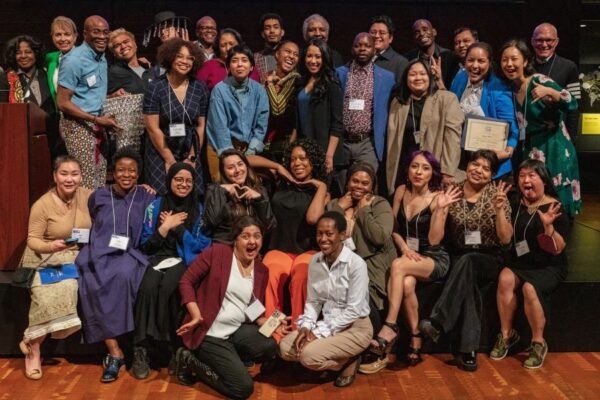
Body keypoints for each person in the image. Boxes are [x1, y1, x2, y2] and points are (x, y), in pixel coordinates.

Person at [418, 150, 513, 372]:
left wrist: (499, 211)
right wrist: (441, 210)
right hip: (460, 257)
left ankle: (438, 322)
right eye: (475, 164)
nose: (478, 170)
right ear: (467, 166)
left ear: (491, 175)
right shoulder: (452, 191)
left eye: (485, 168)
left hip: (490, 258)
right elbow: (434, 239)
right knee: (468, 281)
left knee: (469, 262)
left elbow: (506, 239)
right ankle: (468, 349)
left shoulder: (497, 195)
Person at [359, 151, 453, 373]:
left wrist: (440, 210)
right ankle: (415, 336)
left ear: (432, 174)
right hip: (408, 254)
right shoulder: (401, 191)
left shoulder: (437, 198)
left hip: (434, 257)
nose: (419, 172)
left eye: (425, 168)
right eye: (414, 166)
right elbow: (393, 228)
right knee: (407, 283)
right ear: (408, 170)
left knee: (398, 266)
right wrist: (404, 248)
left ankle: (390, 325)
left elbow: (434, 240)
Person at [76, 146, 156, 383]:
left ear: (139, 173)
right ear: (113, 172)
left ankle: (129, 350)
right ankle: (114, 352)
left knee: (125, 278)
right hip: (98, 252)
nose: (127, 174)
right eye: (121, 170)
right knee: (89, 280)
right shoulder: (98, 195)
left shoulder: (147, 196)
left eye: (132, 170)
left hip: (129, 253)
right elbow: (93, 220)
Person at [176, 216, 278, 400]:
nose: (252, 241)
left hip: (235, 330)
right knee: (243, 389)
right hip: (209, 332)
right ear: (236, 239)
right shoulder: (218, 253)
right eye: (246, 236)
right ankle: (188, 359)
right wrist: (195, 313)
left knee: (269, 346)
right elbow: (186, 281)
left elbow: (253, 305)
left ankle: (229, 358)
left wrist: (268, 321)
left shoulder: (262, 270)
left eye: (257, 236)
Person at [132, 162, 211, 379]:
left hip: (183, 259)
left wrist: (178, 227)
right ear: (170, 181)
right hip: (156, 258)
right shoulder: (155, 207)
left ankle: (171, 348)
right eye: (178, 179)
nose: (183, 184)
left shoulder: (200, 209)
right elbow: (146, 244)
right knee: (147, 286)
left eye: (188, 181)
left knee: (170, 286)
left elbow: (200, 246)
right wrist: (164, 228)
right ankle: (142, 348)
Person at [18, 156, 92, 380]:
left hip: (77, 253)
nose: (70, 179)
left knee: (72, 285)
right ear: (54, 176)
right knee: (48, 291)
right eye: (64, 174)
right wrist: (50, 246)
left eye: (74, 174)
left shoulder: (89, 196)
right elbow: (32, 240)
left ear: (81, 176)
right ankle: (33, 347)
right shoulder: (42, 204)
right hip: (46, 254)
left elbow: (115, 194)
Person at [279, 211, 372, 388]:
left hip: (355, 327)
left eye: (329, 234)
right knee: (285, 347)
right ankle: (339, 357)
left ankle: (348, 361)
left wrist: (318, 333)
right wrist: (306, 327)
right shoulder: (315, 261)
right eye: (319, 233)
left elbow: (353, 310)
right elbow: (314, 301)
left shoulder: (356, 264)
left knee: (308, 356)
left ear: (342, 235)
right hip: (328, 324)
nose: (323, 239)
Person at [491, 159, 569, 369]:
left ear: (543, 180)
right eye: (522, 175)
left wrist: (548, 228)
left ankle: (538, 342)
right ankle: (507, 335)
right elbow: (505, 239)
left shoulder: (555, 207)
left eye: (531, 175)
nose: (526, 180)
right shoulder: (515, 202)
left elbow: (558, 249)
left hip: (548, 265)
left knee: (529, 288)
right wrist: (499, 210)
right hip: (520, 262)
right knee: (505, 278)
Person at [325, 163, 395, 371]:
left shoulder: (379, 203)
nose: (359, 186)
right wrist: (338, 207)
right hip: (344, 266)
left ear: (372, 186)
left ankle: (373, 349)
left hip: (373, 263)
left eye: (365, 183)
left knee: (360, 293)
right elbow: (329, 235)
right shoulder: (338, 204)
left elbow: (380, 237)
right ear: (347, 182)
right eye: (355, 181)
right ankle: (346, 350)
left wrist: (363, 210)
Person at [499, 39, 581, 217]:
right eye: (505, 59)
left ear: (526, 61)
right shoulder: (508, 89)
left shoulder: (538, 81)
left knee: (558, 202)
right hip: (530, 149)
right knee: (535, 202)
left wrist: (551, 92)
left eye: (514, 59)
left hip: (554, 148)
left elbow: (573, 104)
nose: (509, 64)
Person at [263, 139, 329, 337]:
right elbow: (245, 160)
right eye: (292, 159)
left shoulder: (320, 191)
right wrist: (277, 166)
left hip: (306, 251)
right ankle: (273, 331)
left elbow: (312, 218)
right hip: (279, 249)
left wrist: (321, 187)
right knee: (269, 273)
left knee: (302, 276)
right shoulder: (280, 183)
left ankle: (298, 333)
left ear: (313, 162)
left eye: (303, 158)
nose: (297, 163)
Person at [57, 15, 119, 189]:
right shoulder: (74, 60)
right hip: (79, 126)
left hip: (98, 125)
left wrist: (111, 98)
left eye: (105, 32)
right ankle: (82, 216)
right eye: (96, 32)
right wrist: (95, 120)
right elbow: (62, 102)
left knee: (99, 179)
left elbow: (88, 94)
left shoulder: (101, 58)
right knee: (85, 181)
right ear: (85, 34)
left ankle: (95, 216)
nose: (102, 36)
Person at [386, 59, 464, 196]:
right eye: (413, 74)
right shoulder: (398, 103)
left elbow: (453, 138)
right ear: (406, 78)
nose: (418, 78)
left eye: (423, 74)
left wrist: (447, 171)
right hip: (405, 168)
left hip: (434, 168)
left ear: (430, 76)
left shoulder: (447, 99)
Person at [143, 38, 208, 196]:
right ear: (170, 57)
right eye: (180, 56)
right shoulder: (156, 87)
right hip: (161, 149)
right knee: (162, 194)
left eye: (190, 58)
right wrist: (169, 160)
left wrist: (192, 158)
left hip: (190, 149)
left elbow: (200, 126)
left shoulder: (199, 87)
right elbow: (152, 127)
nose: (185, 61)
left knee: (192, 194)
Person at [450, 42, 518, 180]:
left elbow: (512, 128)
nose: (475, 66)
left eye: (481, 61)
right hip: (461, 161)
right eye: (470, 60)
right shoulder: (460, 78)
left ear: (490, 63)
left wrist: (508, 151)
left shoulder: (498, 88)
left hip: (491, 167)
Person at [337, 33, 395, 173]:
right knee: (339, 186)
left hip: (367, 143)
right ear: (352, 49)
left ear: (375, 49)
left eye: (367, 46)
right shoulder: (339, 73)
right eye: (358, 45)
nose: (362, 49)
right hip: (342, 141)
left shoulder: (387, 78)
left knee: (364, 186)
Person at [0, 34, 59, 161]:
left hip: (50, 138)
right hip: (19, 139)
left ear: (36, 54)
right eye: (18, 53)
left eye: (28, 52)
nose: (23, 56)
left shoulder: (47, 75)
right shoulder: (6, 79)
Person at [206, 44, 269, 161]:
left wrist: (251, 150)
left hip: (249, 149)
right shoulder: (219, 90)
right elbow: (220, 127)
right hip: (220, 148)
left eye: (244, 60)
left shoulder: (259, 90)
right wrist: (230, 156)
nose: (240, 64)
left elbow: (261, 124)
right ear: (228, 67)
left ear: (251, 67)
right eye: (234, 61)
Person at [297, 38, 344, 193]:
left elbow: (337, 124)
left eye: (318, 57)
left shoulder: (332, 84)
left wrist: (328, 156)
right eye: (309, 56)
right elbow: (297, 122)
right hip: (304, 149)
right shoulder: (301, 82)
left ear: (325, 59)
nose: (313, 61)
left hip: (323, 152)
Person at [203, 149, 276, 244]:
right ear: (223, 171)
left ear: (246, 166)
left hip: (251, 247)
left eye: (240, 164)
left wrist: (259, 200)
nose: (237, 170)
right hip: (225, 247)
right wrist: (222, 192)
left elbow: (269, 226)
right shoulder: (215, 190)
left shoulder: (259, 190)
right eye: (230, 167)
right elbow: (211, 222)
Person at [531, 23, 580, 139]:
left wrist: (571, 139)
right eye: (539, 40)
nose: (544, 44)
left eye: (549, 40)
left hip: (558, 135)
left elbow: (575, 107)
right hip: (531, 134)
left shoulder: (569, 67)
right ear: (532, 41)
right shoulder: (525, 66)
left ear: (556, 41)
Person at [106, 28, 150, 152]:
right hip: (131, 136)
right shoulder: (114, 72)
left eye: (126, 41)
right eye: (117, 46)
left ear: (134, 43)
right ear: (114, 52)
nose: (123, 46)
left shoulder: (149, 70)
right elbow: (101, 101)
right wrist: (111, 97)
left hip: (153, 133)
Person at [262, 40, 301, 162]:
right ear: (277, 55)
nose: (291, 56)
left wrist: (269, 84)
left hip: (284, 143)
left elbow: (278, 109)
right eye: (288, 52)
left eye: (295, 54)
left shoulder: (296, 79)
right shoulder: (268, 75)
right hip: (265, 140)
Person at [45, 16, 78, 159]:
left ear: (75, 36)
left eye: (67, 34)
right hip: (60, 118)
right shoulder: (51, 58)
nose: (63, 38)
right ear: (52, 37)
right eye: (58, 34)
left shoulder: (85, 58)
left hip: (81, 118)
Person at [196, 28, 260, 91]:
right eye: (223, 45)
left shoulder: (249, 67)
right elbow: (198, 91)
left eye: (231, 44)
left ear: (239, 45)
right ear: (218, 47)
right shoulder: (208, 66)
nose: (228, 48)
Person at [404, 19, 459, 89]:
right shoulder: (408, 58)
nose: (421, 34)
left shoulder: (449, 57)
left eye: (425, 29)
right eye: (417, 32)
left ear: (434, 32)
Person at [142, 11, 191, 81]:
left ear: (176, 29)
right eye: (160, 29)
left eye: (167, 27)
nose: (162, 32)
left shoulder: (188, 48)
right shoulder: (160, 54)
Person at [369, 15, 408, 83]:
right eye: (373, 32)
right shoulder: (361, 58)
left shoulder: (400, 63)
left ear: (390, 38)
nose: (377, 36)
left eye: (382, 33)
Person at [254, 13, 286, 79]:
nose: (272, 31)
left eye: (276, 27)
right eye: (267, 28)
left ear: (282, 32)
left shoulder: (290, 55)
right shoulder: (255, 58)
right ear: (262, 34)